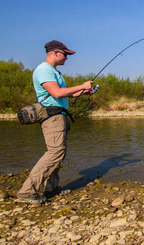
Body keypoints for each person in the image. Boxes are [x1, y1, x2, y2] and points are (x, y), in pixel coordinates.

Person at [16, 40, 93, 204]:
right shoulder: (44, 70)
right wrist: (81, 85)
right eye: (65, 54)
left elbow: (62, 93)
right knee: (55, 152)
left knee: (59, 152)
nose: (67, 58)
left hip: (59, 115)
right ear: (55, 52)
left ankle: (52, 188)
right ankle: (27, 192)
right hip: (52, 117)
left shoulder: (53, 71)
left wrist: (82, 91)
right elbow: (57, 93)